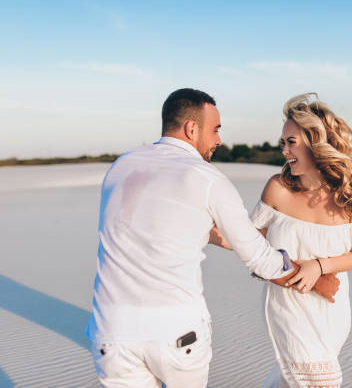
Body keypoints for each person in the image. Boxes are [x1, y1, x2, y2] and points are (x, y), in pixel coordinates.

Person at [85, 88, 337, 388]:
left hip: (111, 334)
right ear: (192, 128)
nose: (218, 140)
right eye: (215, 130)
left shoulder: (120, 167)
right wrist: (317, 280)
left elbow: (151, 228)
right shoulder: (206, 178)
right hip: (176, 334)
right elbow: (258, 256)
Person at [254, 94, 352, 387]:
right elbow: (252, 251)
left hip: (331, 309)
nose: (285, 151)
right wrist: (303, 274)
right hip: (289, 306)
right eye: (283, 143)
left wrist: (318, 266)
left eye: (292, 142)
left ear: (316, 143)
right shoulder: (277, 189)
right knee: (319, 382)